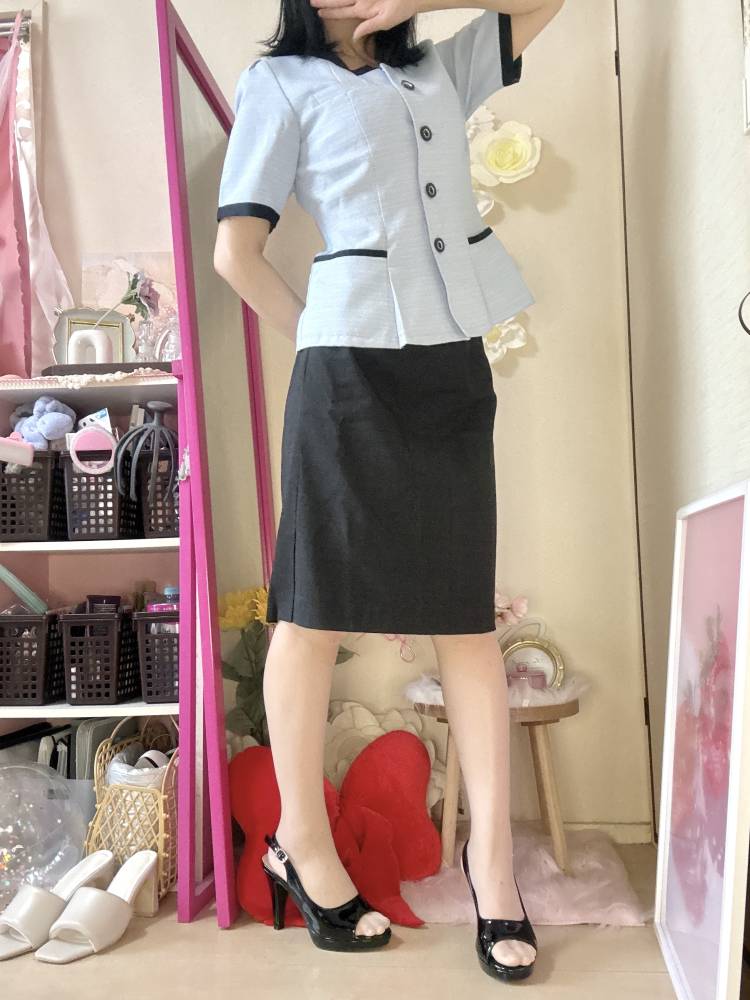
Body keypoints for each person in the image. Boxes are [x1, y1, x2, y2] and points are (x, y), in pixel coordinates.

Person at [214, 0, 564, 981]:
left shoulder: (438, 69)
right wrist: (323, 333)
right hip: (344, 370)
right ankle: (303, 846)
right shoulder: (279, 83)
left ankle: (492, 869)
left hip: (450, 365)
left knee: (464, 619)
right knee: (311, 613)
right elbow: (236, 253)